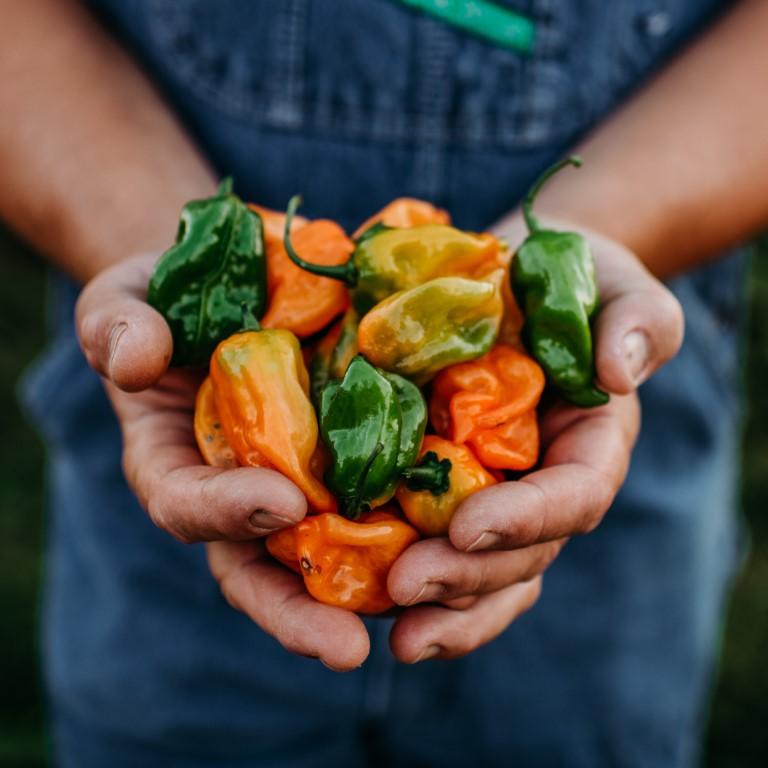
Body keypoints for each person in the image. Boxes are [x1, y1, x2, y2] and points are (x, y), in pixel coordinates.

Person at [3, 0, 766, 765]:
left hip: (607, 550)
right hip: (167, 550)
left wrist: (604, 221)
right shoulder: (322, 354)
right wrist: (136, 228)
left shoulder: (380, 349)